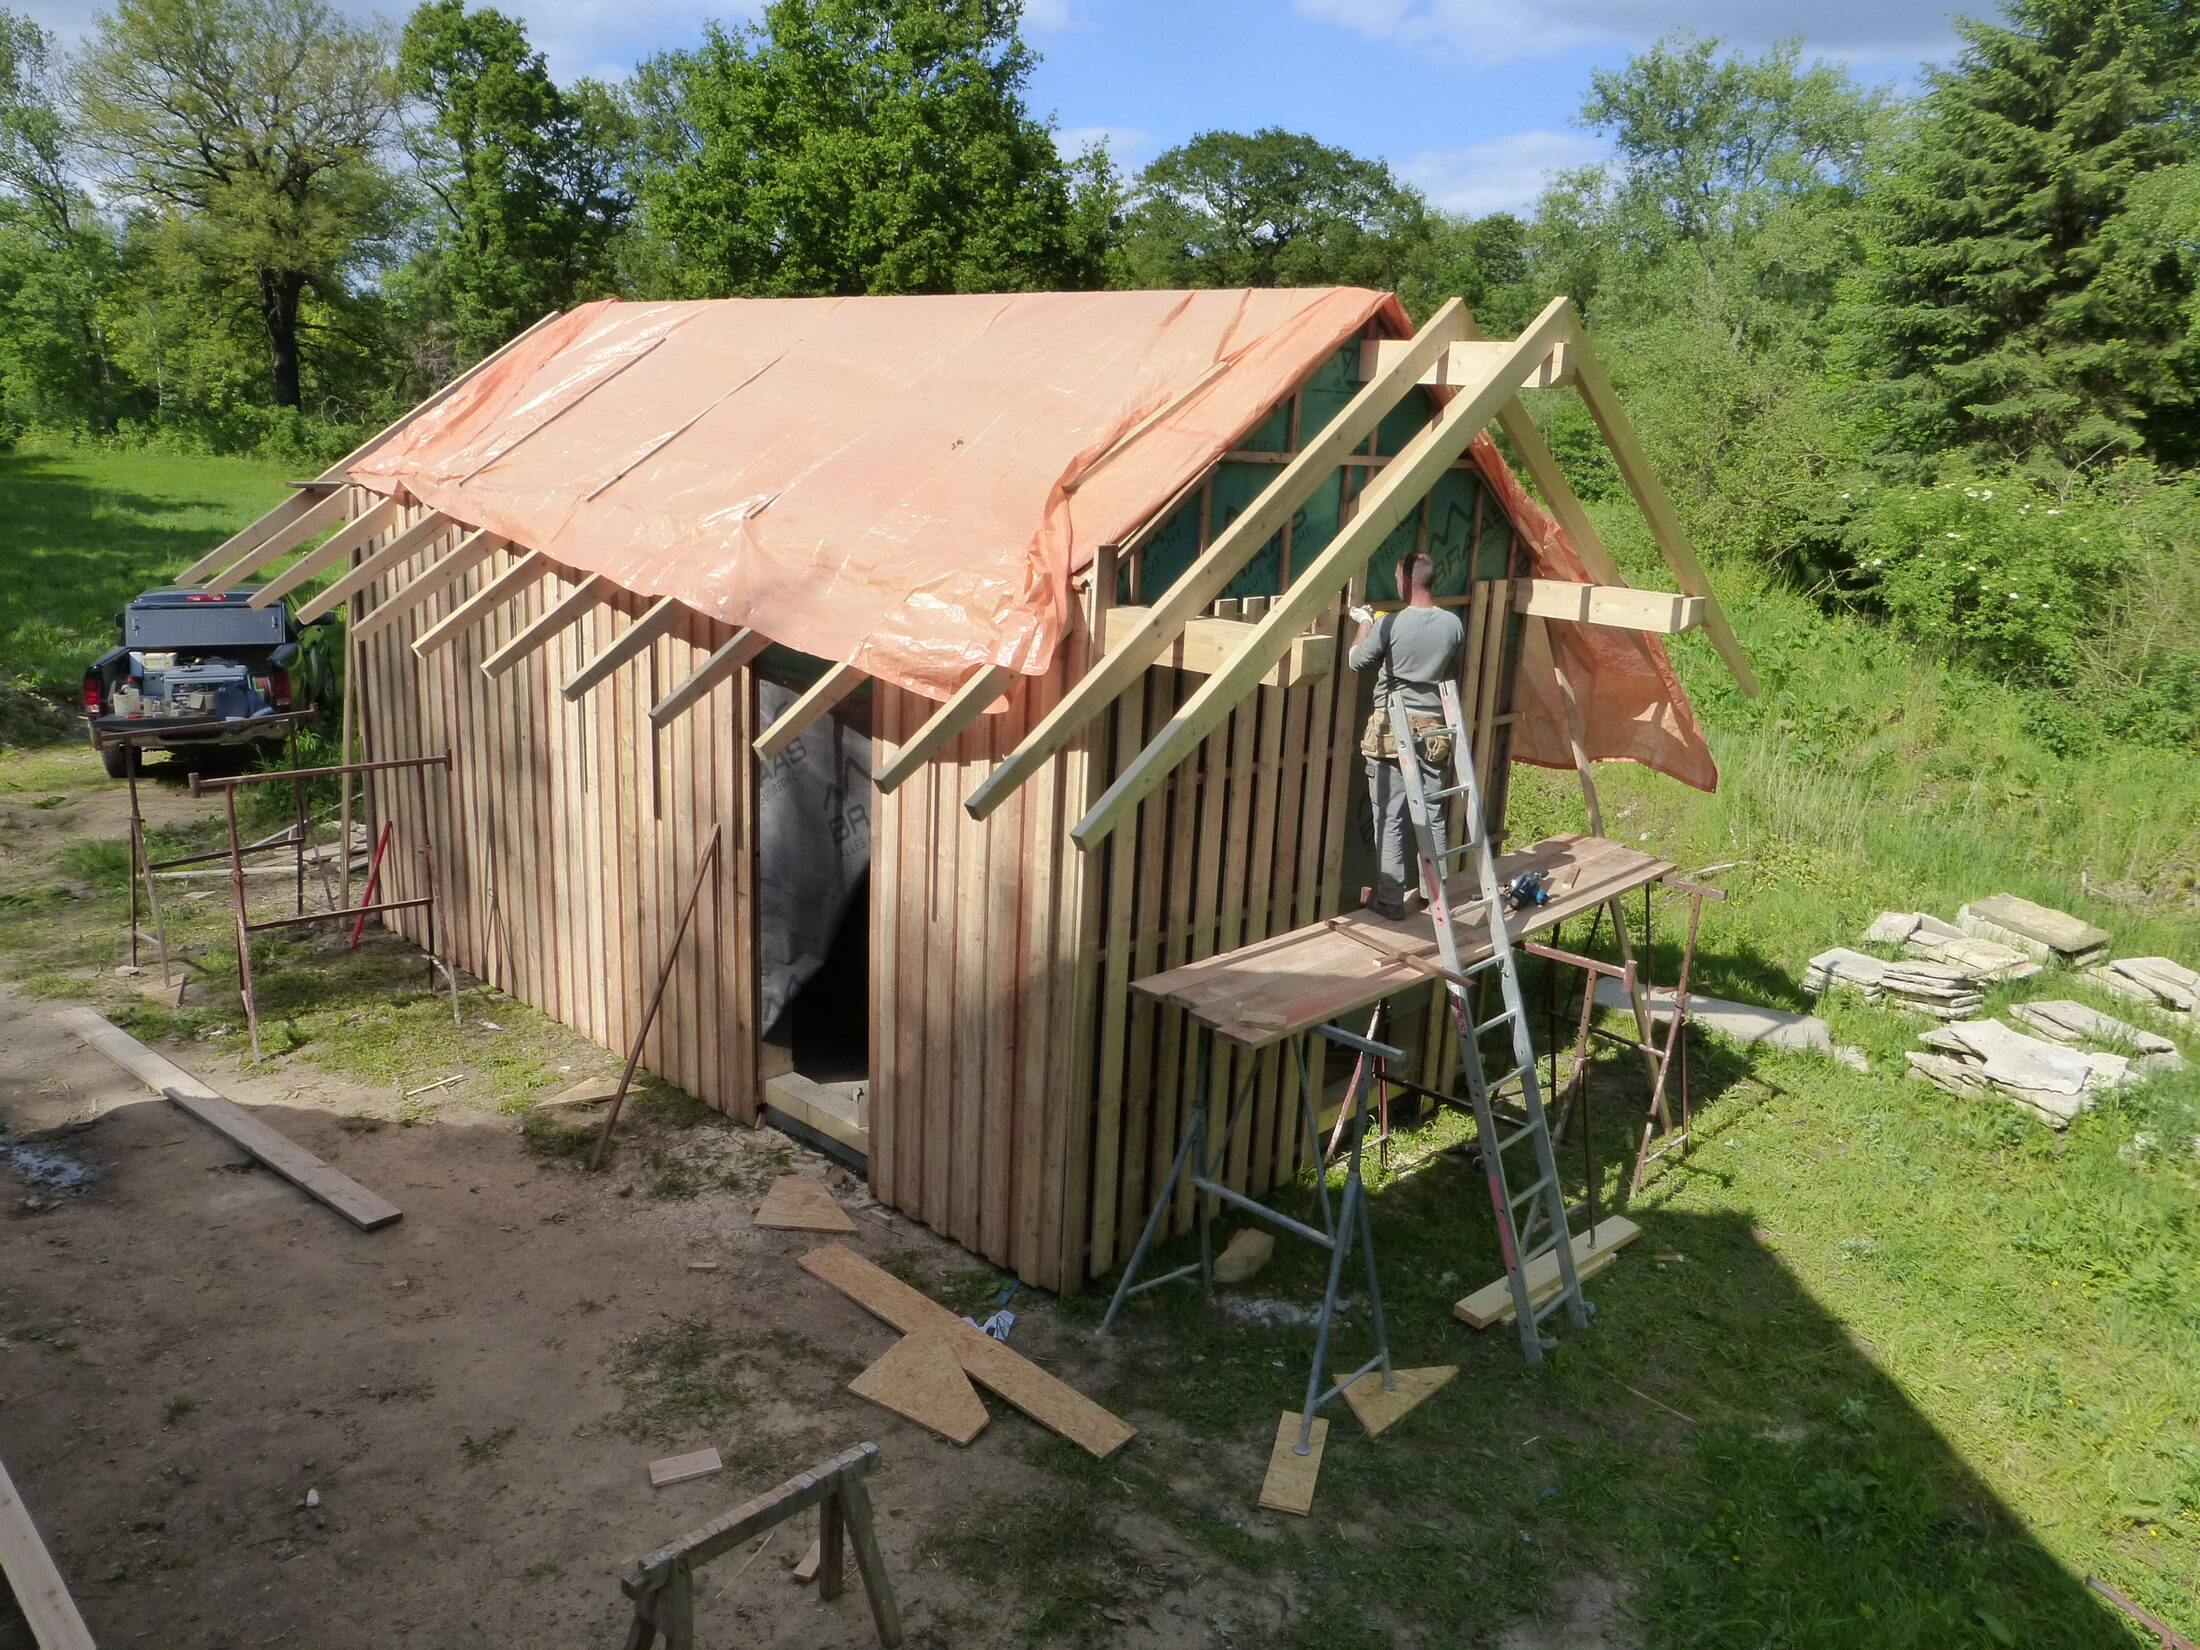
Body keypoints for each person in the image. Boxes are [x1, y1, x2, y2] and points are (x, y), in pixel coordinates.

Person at [1349, 551, 1465, 921]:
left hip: (1391, 728)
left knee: (1390, 817)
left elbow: (1356, 660)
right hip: (1433, 731)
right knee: (1432, 813)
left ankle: (1390, 900)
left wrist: (1366, 623)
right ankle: (1438, 898)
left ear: (1406, 582)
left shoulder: (1390, 625)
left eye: (1398, 577)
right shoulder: (1453, 624)